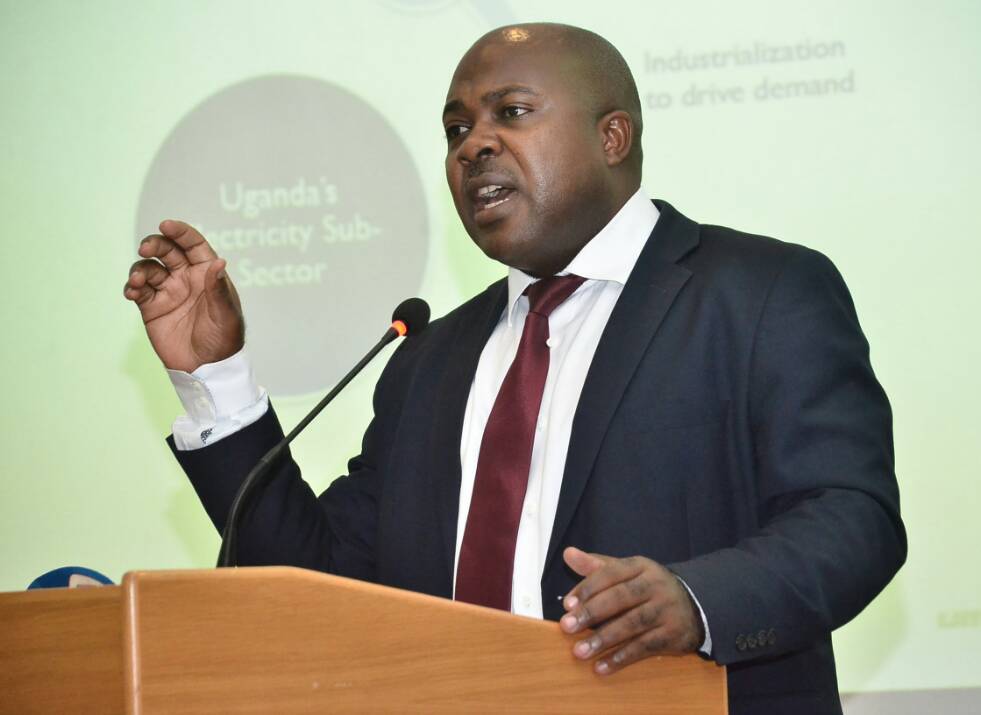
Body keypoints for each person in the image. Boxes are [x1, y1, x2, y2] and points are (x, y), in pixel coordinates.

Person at [124, 23, 905, 714]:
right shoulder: (429, 359)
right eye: (456, 128)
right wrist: (215, 376)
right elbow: (318, 584)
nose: (474, 144)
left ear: (613, 136)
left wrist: (697, 599)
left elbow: (852, 516)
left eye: (513, 112)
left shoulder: (761, 293)